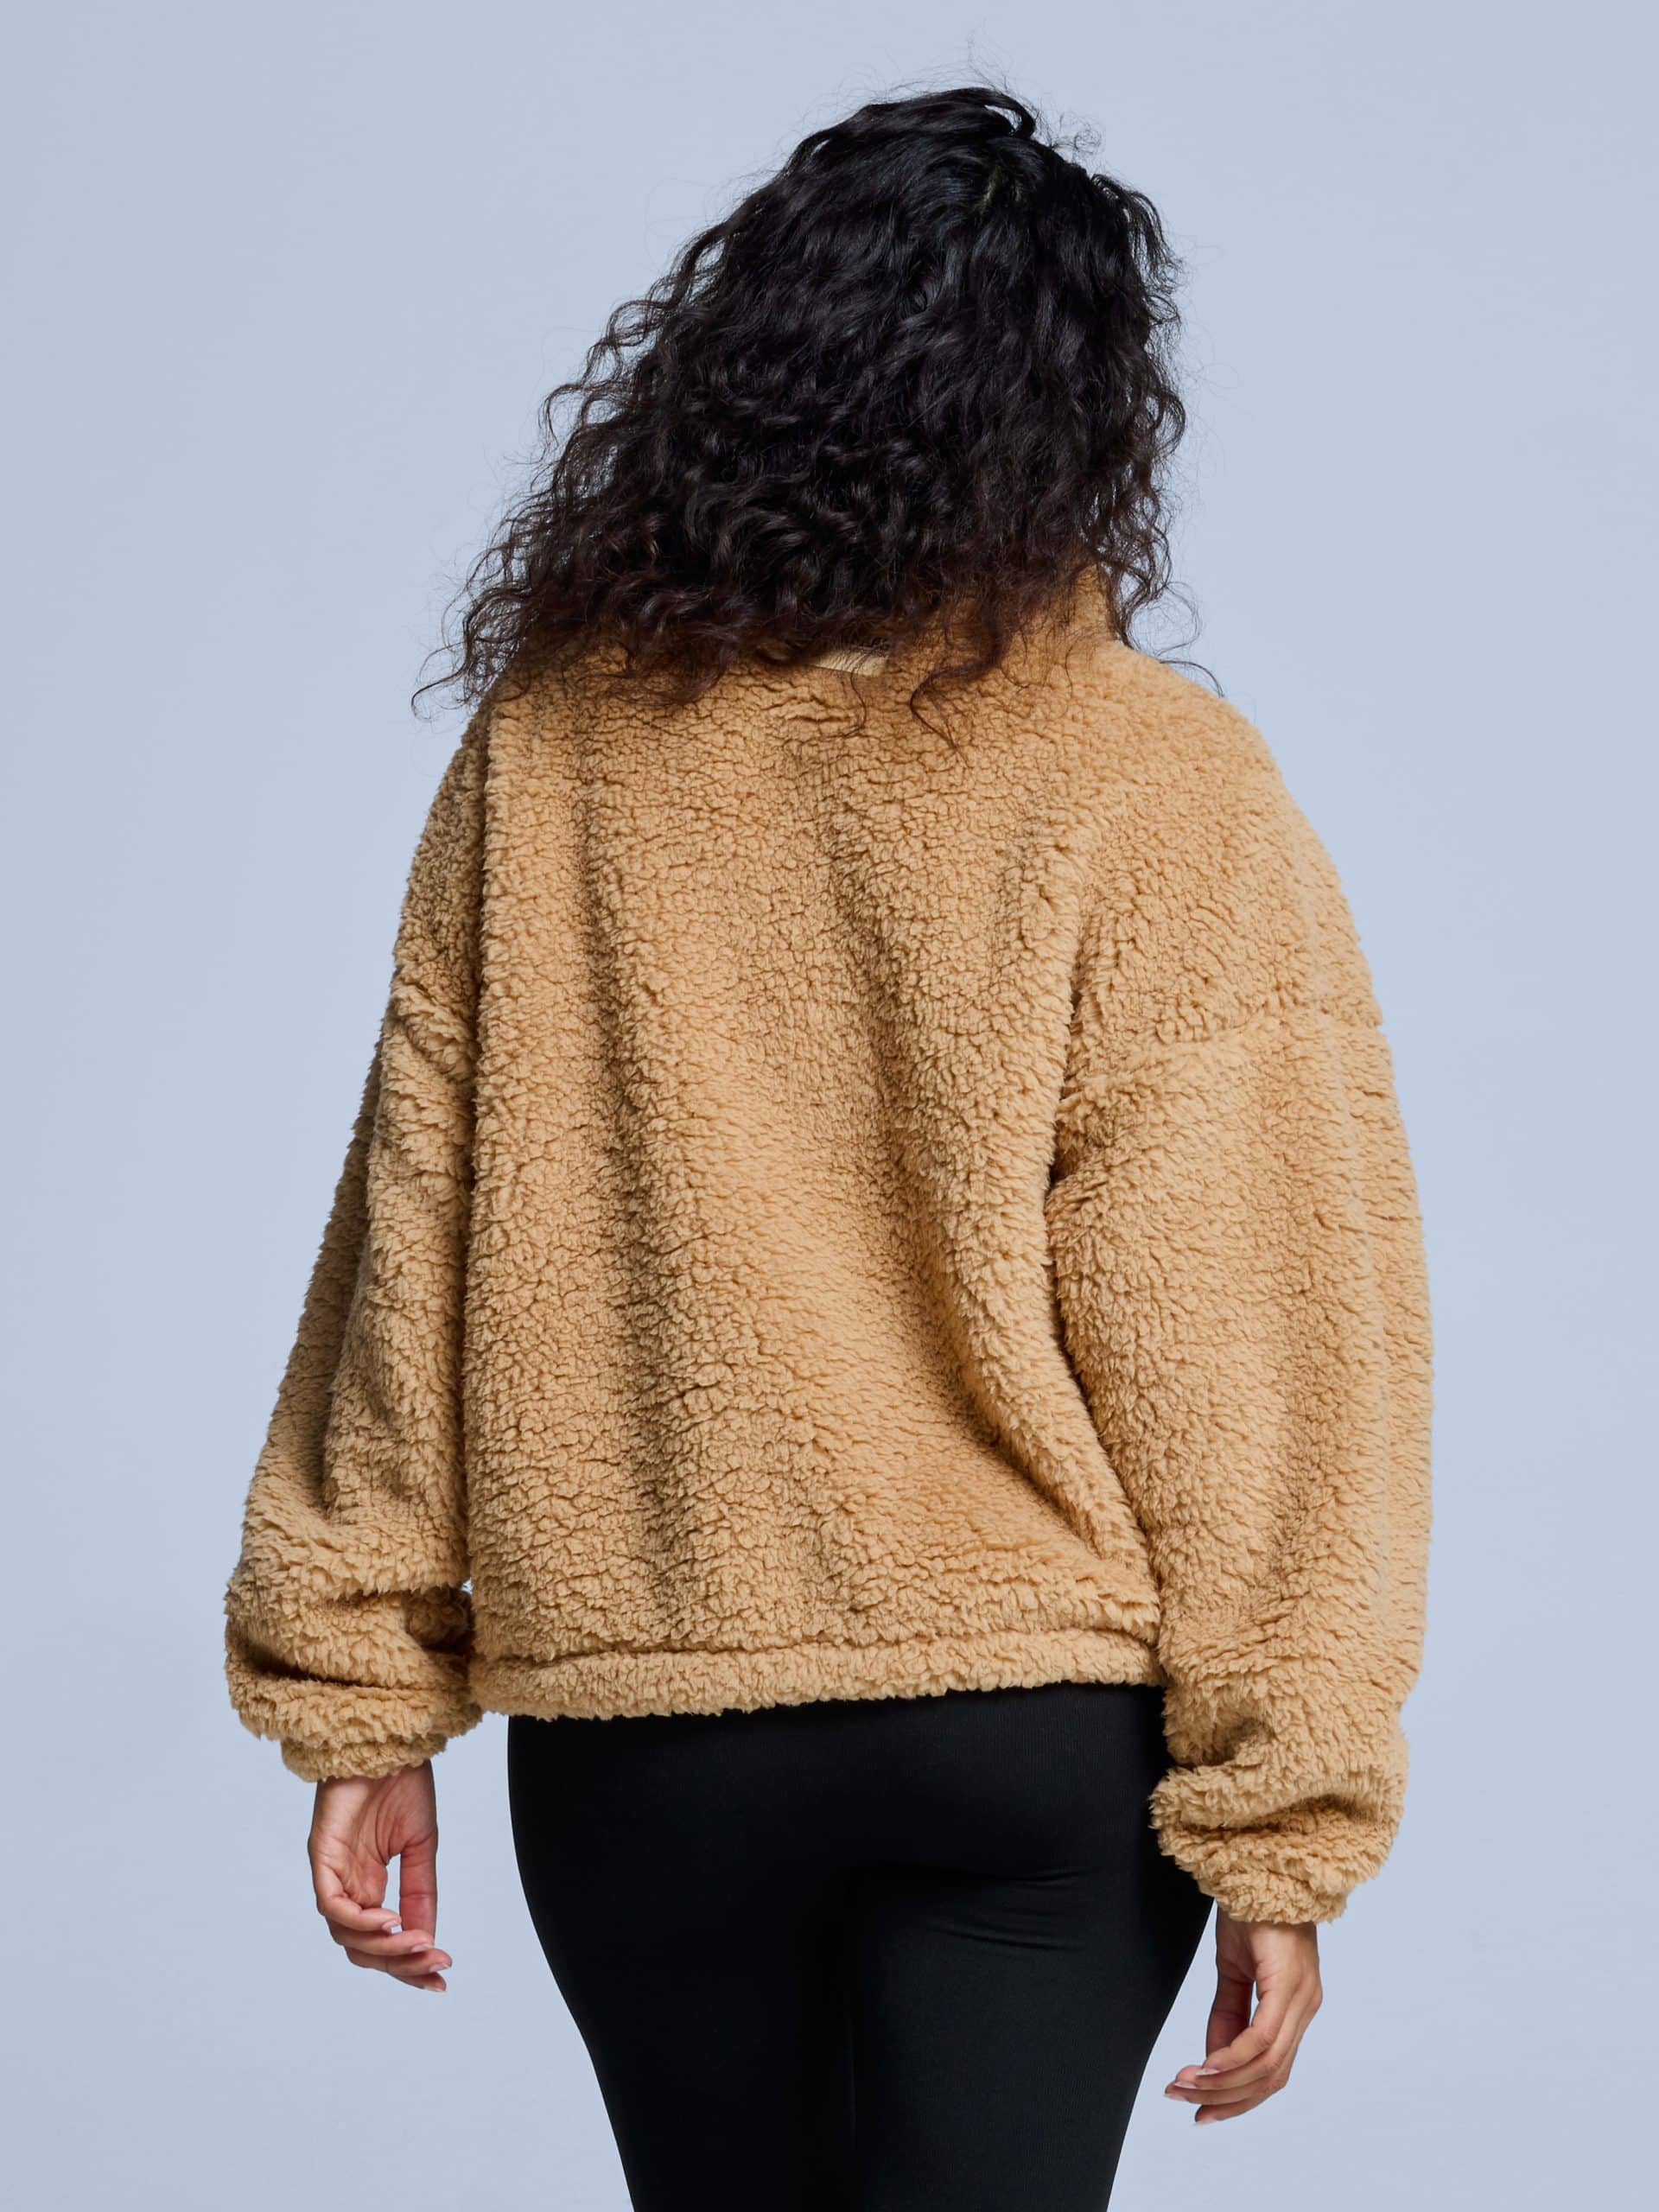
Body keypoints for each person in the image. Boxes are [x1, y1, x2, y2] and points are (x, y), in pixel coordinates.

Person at [224, 82, 1433, 2211]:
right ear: (1075, 413)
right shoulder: (1153, 775)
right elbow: (1250, 1322)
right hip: (1024, 1728)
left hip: (647, 1722)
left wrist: (364, 1689)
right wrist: (1286, 1815)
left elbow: (422, 1217)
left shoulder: (558, 745)